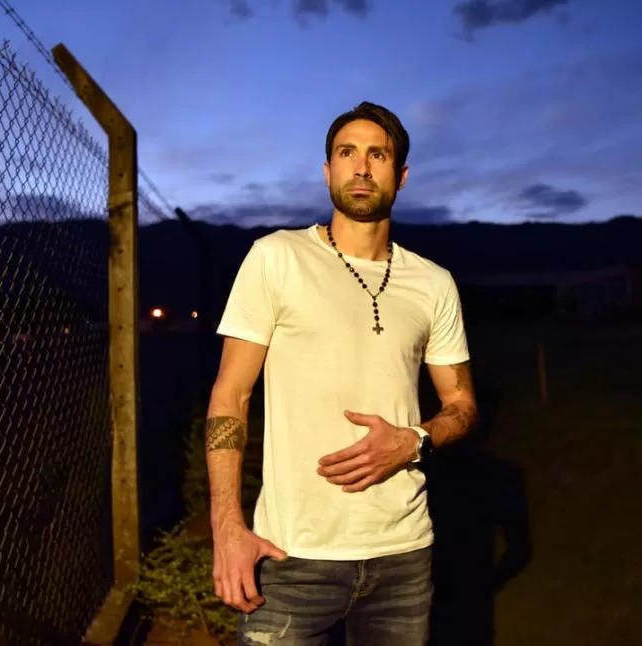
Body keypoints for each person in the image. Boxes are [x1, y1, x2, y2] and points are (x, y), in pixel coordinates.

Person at [205, 100, 478, 645]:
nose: (360, 167)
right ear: (327, 170)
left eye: (377, 155)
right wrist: (227, 527)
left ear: (399, 177)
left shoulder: (433, 283)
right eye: (346, 153)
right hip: (290, 556)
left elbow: (462, 405)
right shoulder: (276, 257)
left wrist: (414, 440)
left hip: (403, 557)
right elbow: (230, 396)